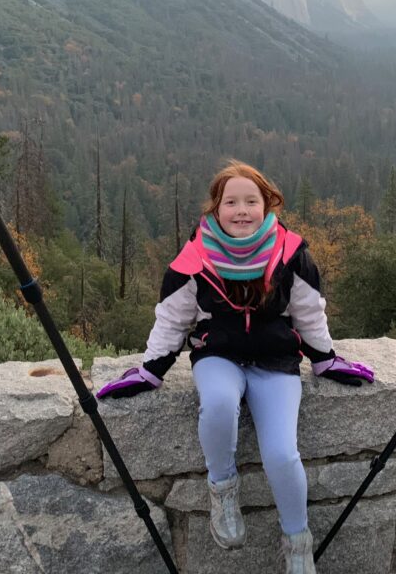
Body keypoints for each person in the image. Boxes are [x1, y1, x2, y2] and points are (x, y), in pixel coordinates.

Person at [97, 160, 374, 574]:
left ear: (267, 206)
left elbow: (309, 313)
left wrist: (325, 359)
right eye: (231, 202)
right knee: (220, 404)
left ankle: (297, 543)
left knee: (282, 454)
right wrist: (151, 369)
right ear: (216, 208)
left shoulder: (290, 254)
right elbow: (173, 317)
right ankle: (223, 490)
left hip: (276, 361)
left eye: (251, 201)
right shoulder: (196, 256)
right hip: (218, 356)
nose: (241, 210)